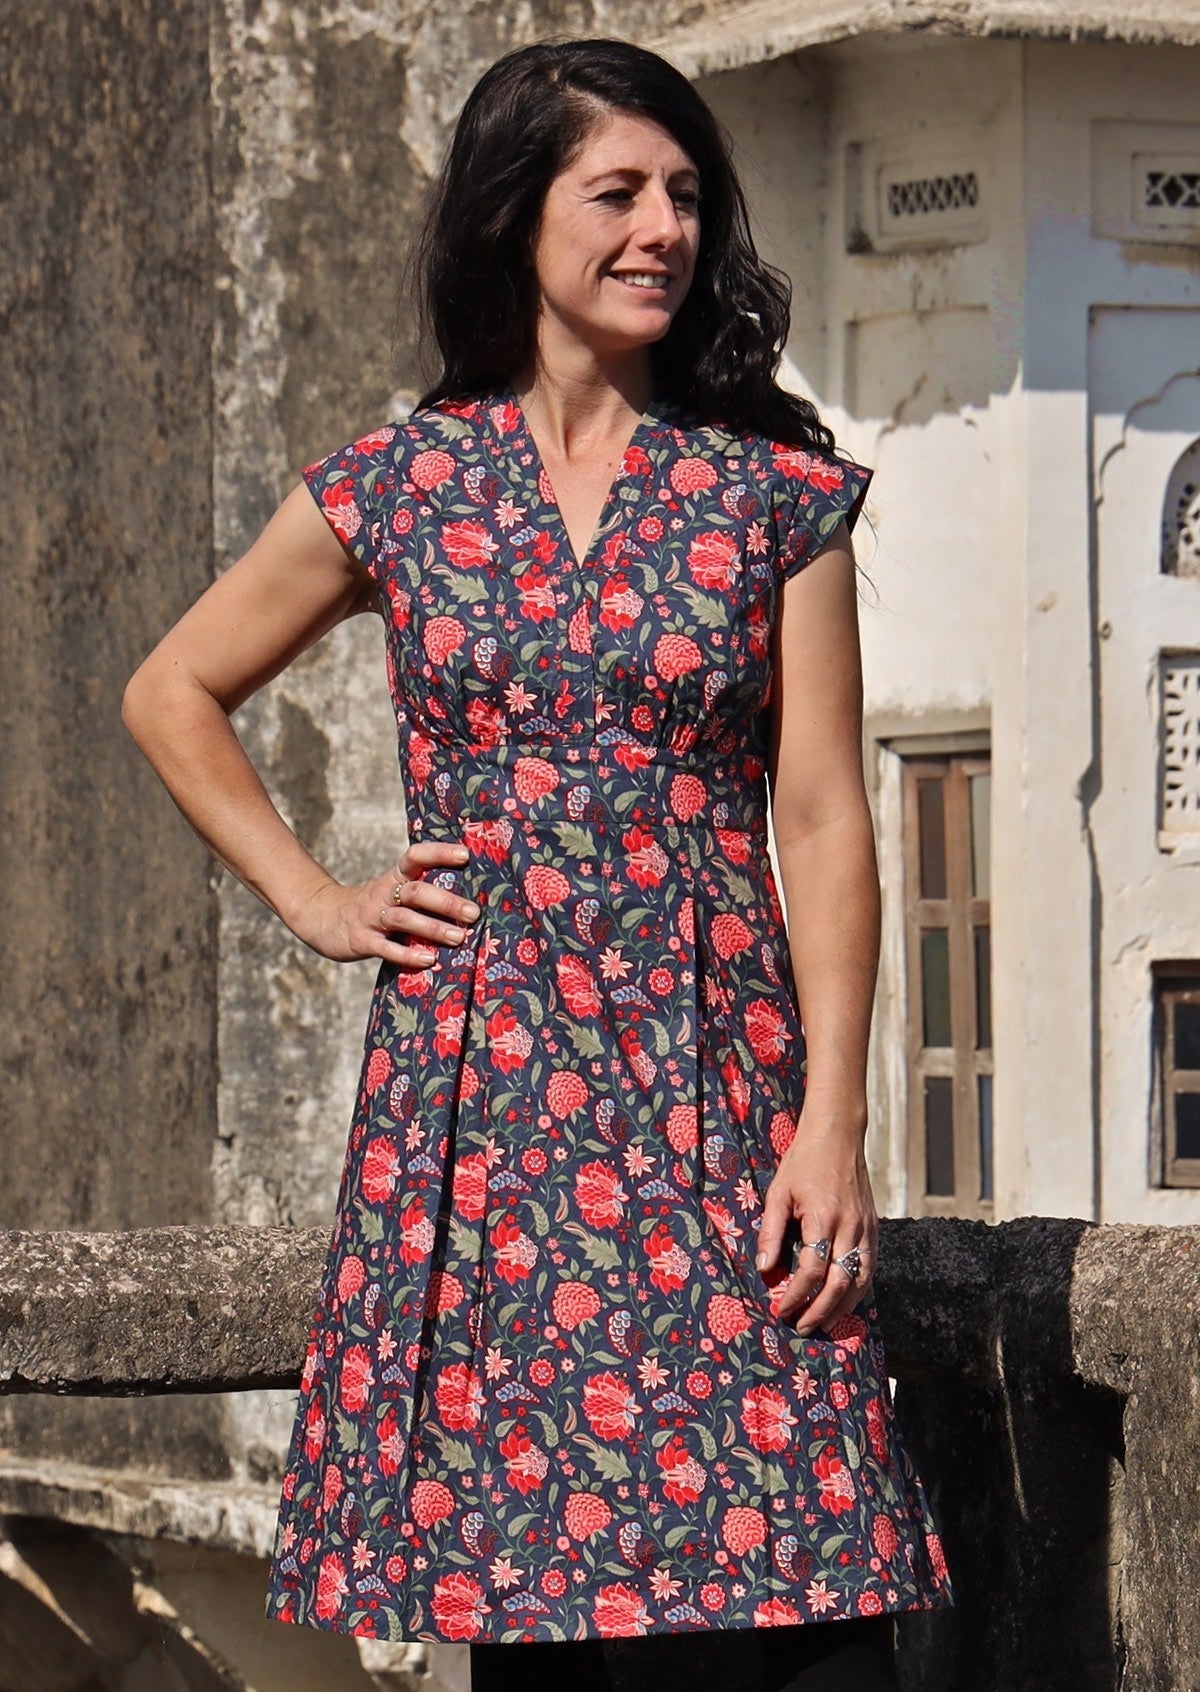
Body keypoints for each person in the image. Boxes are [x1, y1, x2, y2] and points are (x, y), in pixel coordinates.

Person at [123, 35, 952, 1692]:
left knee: (803, 1586)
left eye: (688, 197)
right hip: (488, 1100)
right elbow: (171, 688)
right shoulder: (406, 486)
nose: (663, 228)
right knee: (544, 1593)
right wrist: (320, 901)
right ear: (519, 217)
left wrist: (837, 1122)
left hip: (724, 1092)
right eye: (619, 191)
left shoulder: (771, 500)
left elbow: (824, 818)